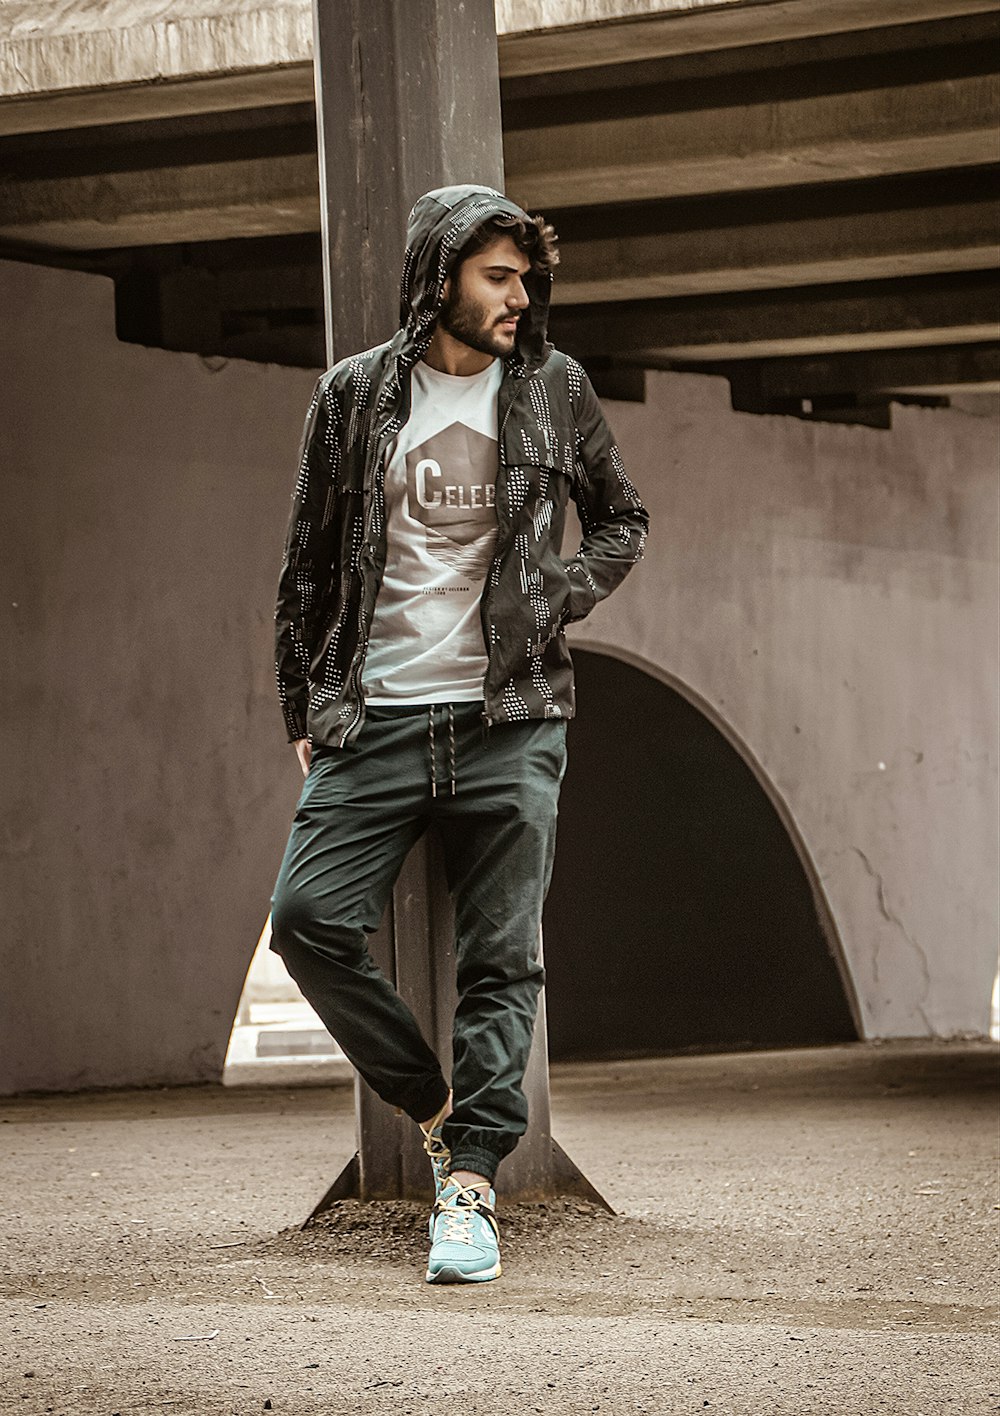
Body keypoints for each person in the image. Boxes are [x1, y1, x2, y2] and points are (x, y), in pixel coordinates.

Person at [270, 184, 648, 1284]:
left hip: (511, 714)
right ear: (440, 278)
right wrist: (305, 707)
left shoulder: (555, 388)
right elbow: (304, 561)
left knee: (503, 957)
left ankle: (470, 1187)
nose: (520, 298)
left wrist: (559, 589)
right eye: (498, 277)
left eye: (527, 279)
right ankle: (438, 1109)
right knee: (307, 921)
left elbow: (623, 514)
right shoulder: (353, 397)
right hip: (377, 714)